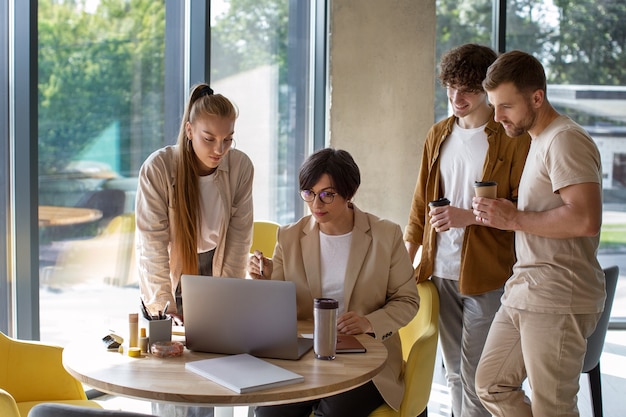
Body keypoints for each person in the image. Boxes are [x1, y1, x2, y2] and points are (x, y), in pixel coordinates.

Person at [472, 50, 605, 417]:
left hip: (558, 295)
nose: (497, 117)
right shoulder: (538, 138)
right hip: (525, 290)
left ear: (536, 97)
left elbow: (585, 220)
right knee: (490, 384)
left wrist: (513, 218)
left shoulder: (565, 139)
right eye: (495, 106)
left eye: (506, 106)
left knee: (553, 408)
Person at [404, 43, 531, 417]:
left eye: (468, 90)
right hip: (439, 269)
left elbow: (521, 209)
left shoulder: (511, 139)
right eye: (450, 88)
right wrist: (404, 267)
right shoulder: (439, 134)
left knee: (480, 379)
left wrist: (468, 217)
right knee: (455, 374)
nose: (456, 98)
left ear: (486, 90)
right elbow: (418, 204)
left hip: (487, 274)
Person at [248, 148, 419, 417]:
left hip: (365, 361)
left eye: (328, 194)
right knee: (268, 412)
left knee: (333, 412)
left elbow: (408, 300)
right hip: (304, 358)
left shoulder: (386, 235)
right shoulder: (289, 237)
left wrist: (369, 323)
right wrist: (266, 279)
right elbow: (277, 309)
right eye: (309, 193)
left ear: (349, 193)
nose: (317, 204)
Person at [136, 83, 254, 326]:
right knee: (170, 354)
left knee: (219, 350)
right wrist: (162, 305)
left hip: (218, 266)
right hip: (171, 270)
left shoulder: (241, 167)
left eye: (228, 139)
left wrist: (227, 297)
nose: (219, 149)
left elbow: (239, 239)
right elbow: (152, 243)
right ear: (189, 130)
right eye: (209, 139)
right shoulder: (157, 168)